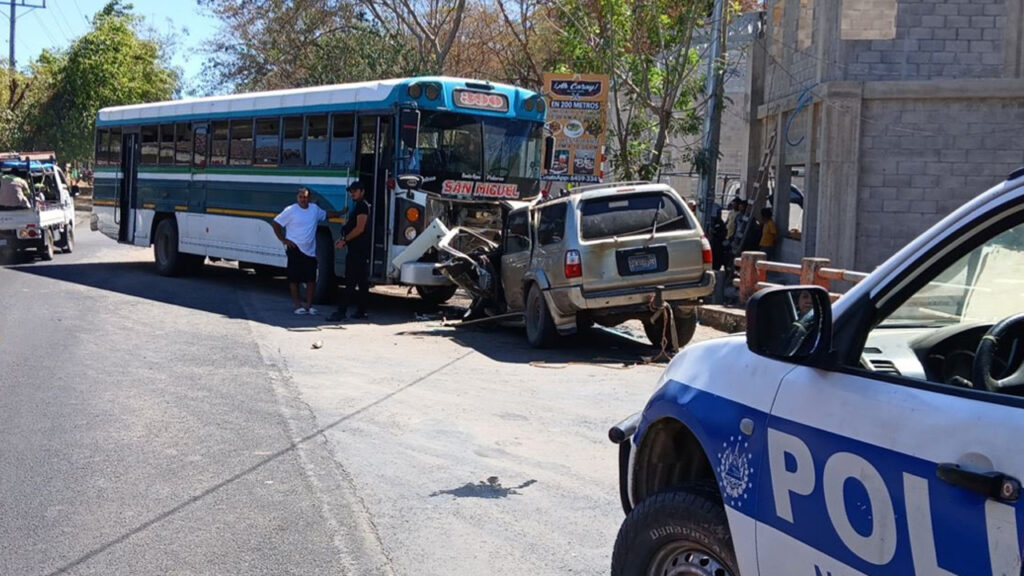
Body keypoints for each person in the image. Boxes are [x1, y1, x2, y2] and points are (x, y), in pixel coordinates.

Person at [272, 187, 332, 315]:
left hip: (309, 251)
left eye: (305, 197)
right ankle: (298, 305)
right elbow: (276, 223)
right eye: (300, 197)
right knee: (294, 279)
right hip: (295, 249)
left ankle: (309, 306)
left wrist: (341, 212)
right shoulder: (290, 210)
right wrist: (284, 240)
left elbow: (326, 214)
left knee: (311, 279)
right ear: (297, 198)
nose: (303, 199)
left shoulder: (314, 209)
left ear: (309, 198)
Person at [328, 181, 371, 321]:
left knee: (350, 282)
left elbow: (360, 228)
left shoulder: (362, 207)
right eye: (351, 191)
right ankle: (361, 311)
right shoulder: (358, 206)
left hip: (357, 251)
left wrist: (344, 240)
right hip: (359, 250)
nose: (352, 193)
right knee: (362, 283)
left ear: (362, 191)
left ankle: (341, 312)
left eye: (355, 191)